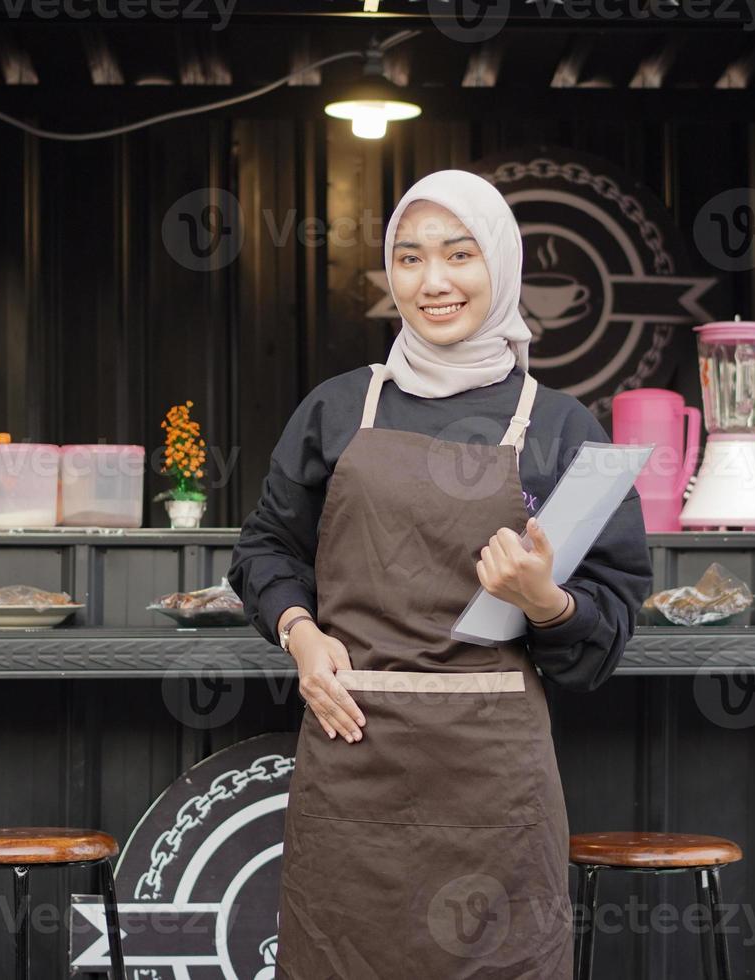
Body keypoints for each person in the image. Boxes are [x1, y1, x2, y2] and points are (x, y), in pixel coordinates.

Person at [226, 168, 653, 979]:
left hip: (492, 786)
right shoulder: (338, 409)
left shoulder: (562, 428)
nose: (435, 281)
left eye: (459, 255)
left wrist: (546, 602)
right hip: (354, 757)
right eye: (411, 258)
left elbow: (608, 632)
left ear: (501, 265)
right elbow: (265, 550)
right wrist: (300, 633)